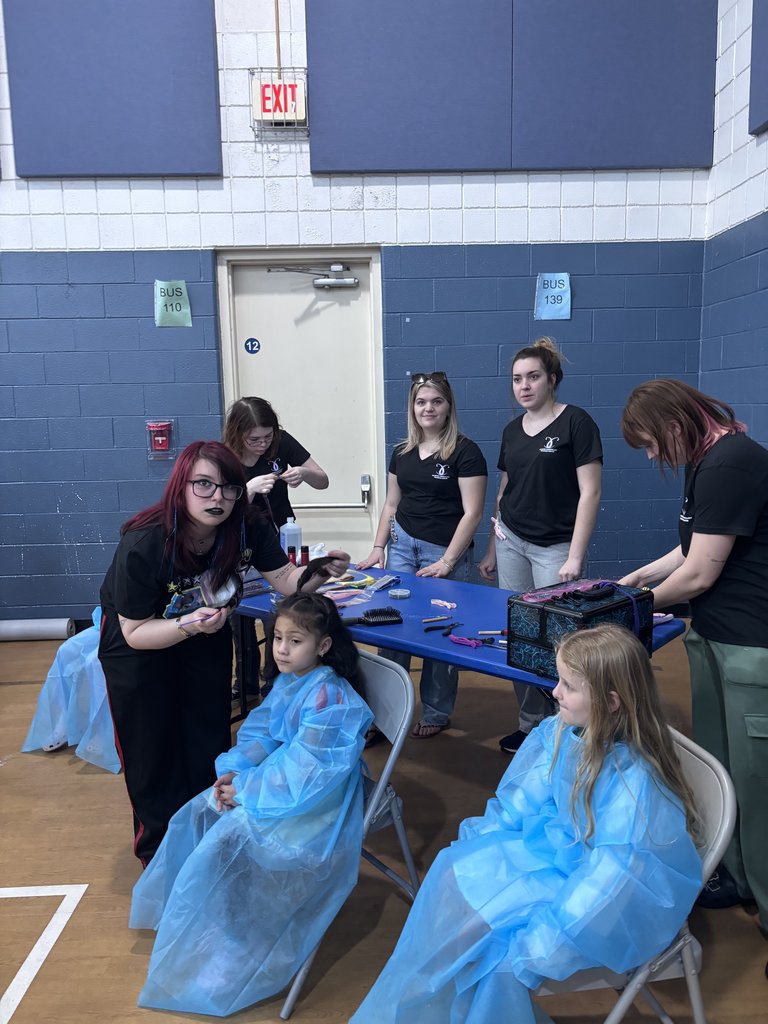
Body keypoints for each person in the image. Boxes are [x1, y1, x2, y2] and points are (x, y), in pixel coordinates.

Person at [350, 624, 702, 1024]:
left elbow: (612, 882)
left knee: (493, 958)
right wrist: (480, 846)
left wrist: (540, 946)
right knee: (451, 877)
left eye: (568, 685)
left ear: (610, 702)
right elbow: (520, 800)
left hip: (595, 905)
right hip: (559, 861)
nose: (554, 692)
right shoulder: (565, 732)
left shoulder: (634, 786)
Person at [98, 440, 349, 866]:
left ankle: (207, 842)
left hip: (205, 634)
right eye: (204, 485)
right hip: (139, 650)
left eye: (229, 488)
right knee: (152, 754)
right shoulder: (144, 542)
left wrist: (318, 573)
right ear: (181, 486)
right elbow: (136, 631)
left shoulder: (248, 524)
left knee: (206, 739)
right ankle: (159, 857)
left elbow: (287, 580)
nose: (218, 498)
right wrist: (187, 625)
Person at [129, 593, 373, 1016]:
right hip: (282, 783)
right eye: (277, 637)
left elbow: (309, 775)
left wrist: (247, 791)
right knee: (201, 810)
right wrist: (235, 772)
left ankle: (243, 942)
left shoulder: (329, 700)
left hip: (321, 801)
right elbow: (262, 734)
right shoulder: (293, 681)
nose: (281, 649)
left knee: (233, 835)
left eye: (295, 641)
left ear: (324, 645)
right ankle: (213, 922)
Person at [619, 378, 768, 942]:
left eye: (653, 445)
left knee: (760, 784)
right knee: (722, 768)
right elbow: (692, 548)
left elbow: (702, 573)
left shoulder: (732, 462)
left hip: (752, 647)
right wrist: (638, 578)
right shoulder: (704, 458)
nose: (654, 456)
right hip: (711, 633)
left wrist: (629, 606)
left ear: (675, 426)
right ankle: (735, 877)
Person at [478, 337, 602, 755]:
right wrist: (494, 547)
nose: (524, 386)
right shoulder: (511, 430)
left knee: (559, 642)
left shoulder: (576, 423)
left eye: (533, 377)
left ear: (552, 380)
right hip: (511, 540)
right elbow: (505, 487)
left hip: (556, 549)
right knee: (520, 635)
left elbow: (591, 493)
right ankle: (531, 725)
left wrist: (575, 556)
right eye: (517, 379)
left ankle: (563, 728)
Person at [358, 371, 487, 738]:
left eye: (436, 401)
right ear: (412, 408)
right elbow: (391, 504)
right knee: (394, 629)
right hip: (402, 547)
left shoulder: (465, 451)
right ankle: (386, 715)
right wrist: (378, 547)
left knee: (438, 633)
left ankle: (435, 711)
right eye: (421, 402)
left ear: (448, 407)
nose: (428, 408)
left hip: (444, 553)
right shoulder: (401, 452)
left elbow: (473, 513)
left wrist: (447, 561)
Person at [223, 396, 330, 697]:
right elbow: (217, 508)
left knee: (279, 611)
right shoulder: (225, 458)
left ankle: (275, 681)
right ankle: (244, 685)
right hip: (240, 542)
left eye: (267, 437)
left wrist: (305, 474)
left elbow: (323, 480)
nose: (261, 444)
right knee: (239, 616)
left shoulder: (282, 443)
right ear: (236, 433)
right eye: (253, 439)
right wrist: (249, 490)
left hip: (281, 538)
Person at [22, 608, 120, 773]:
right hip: (109, 620)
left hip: (132, 625)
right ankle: (66, 719)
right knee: (67, 650)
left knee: (95, 662)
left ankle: (102, 731)